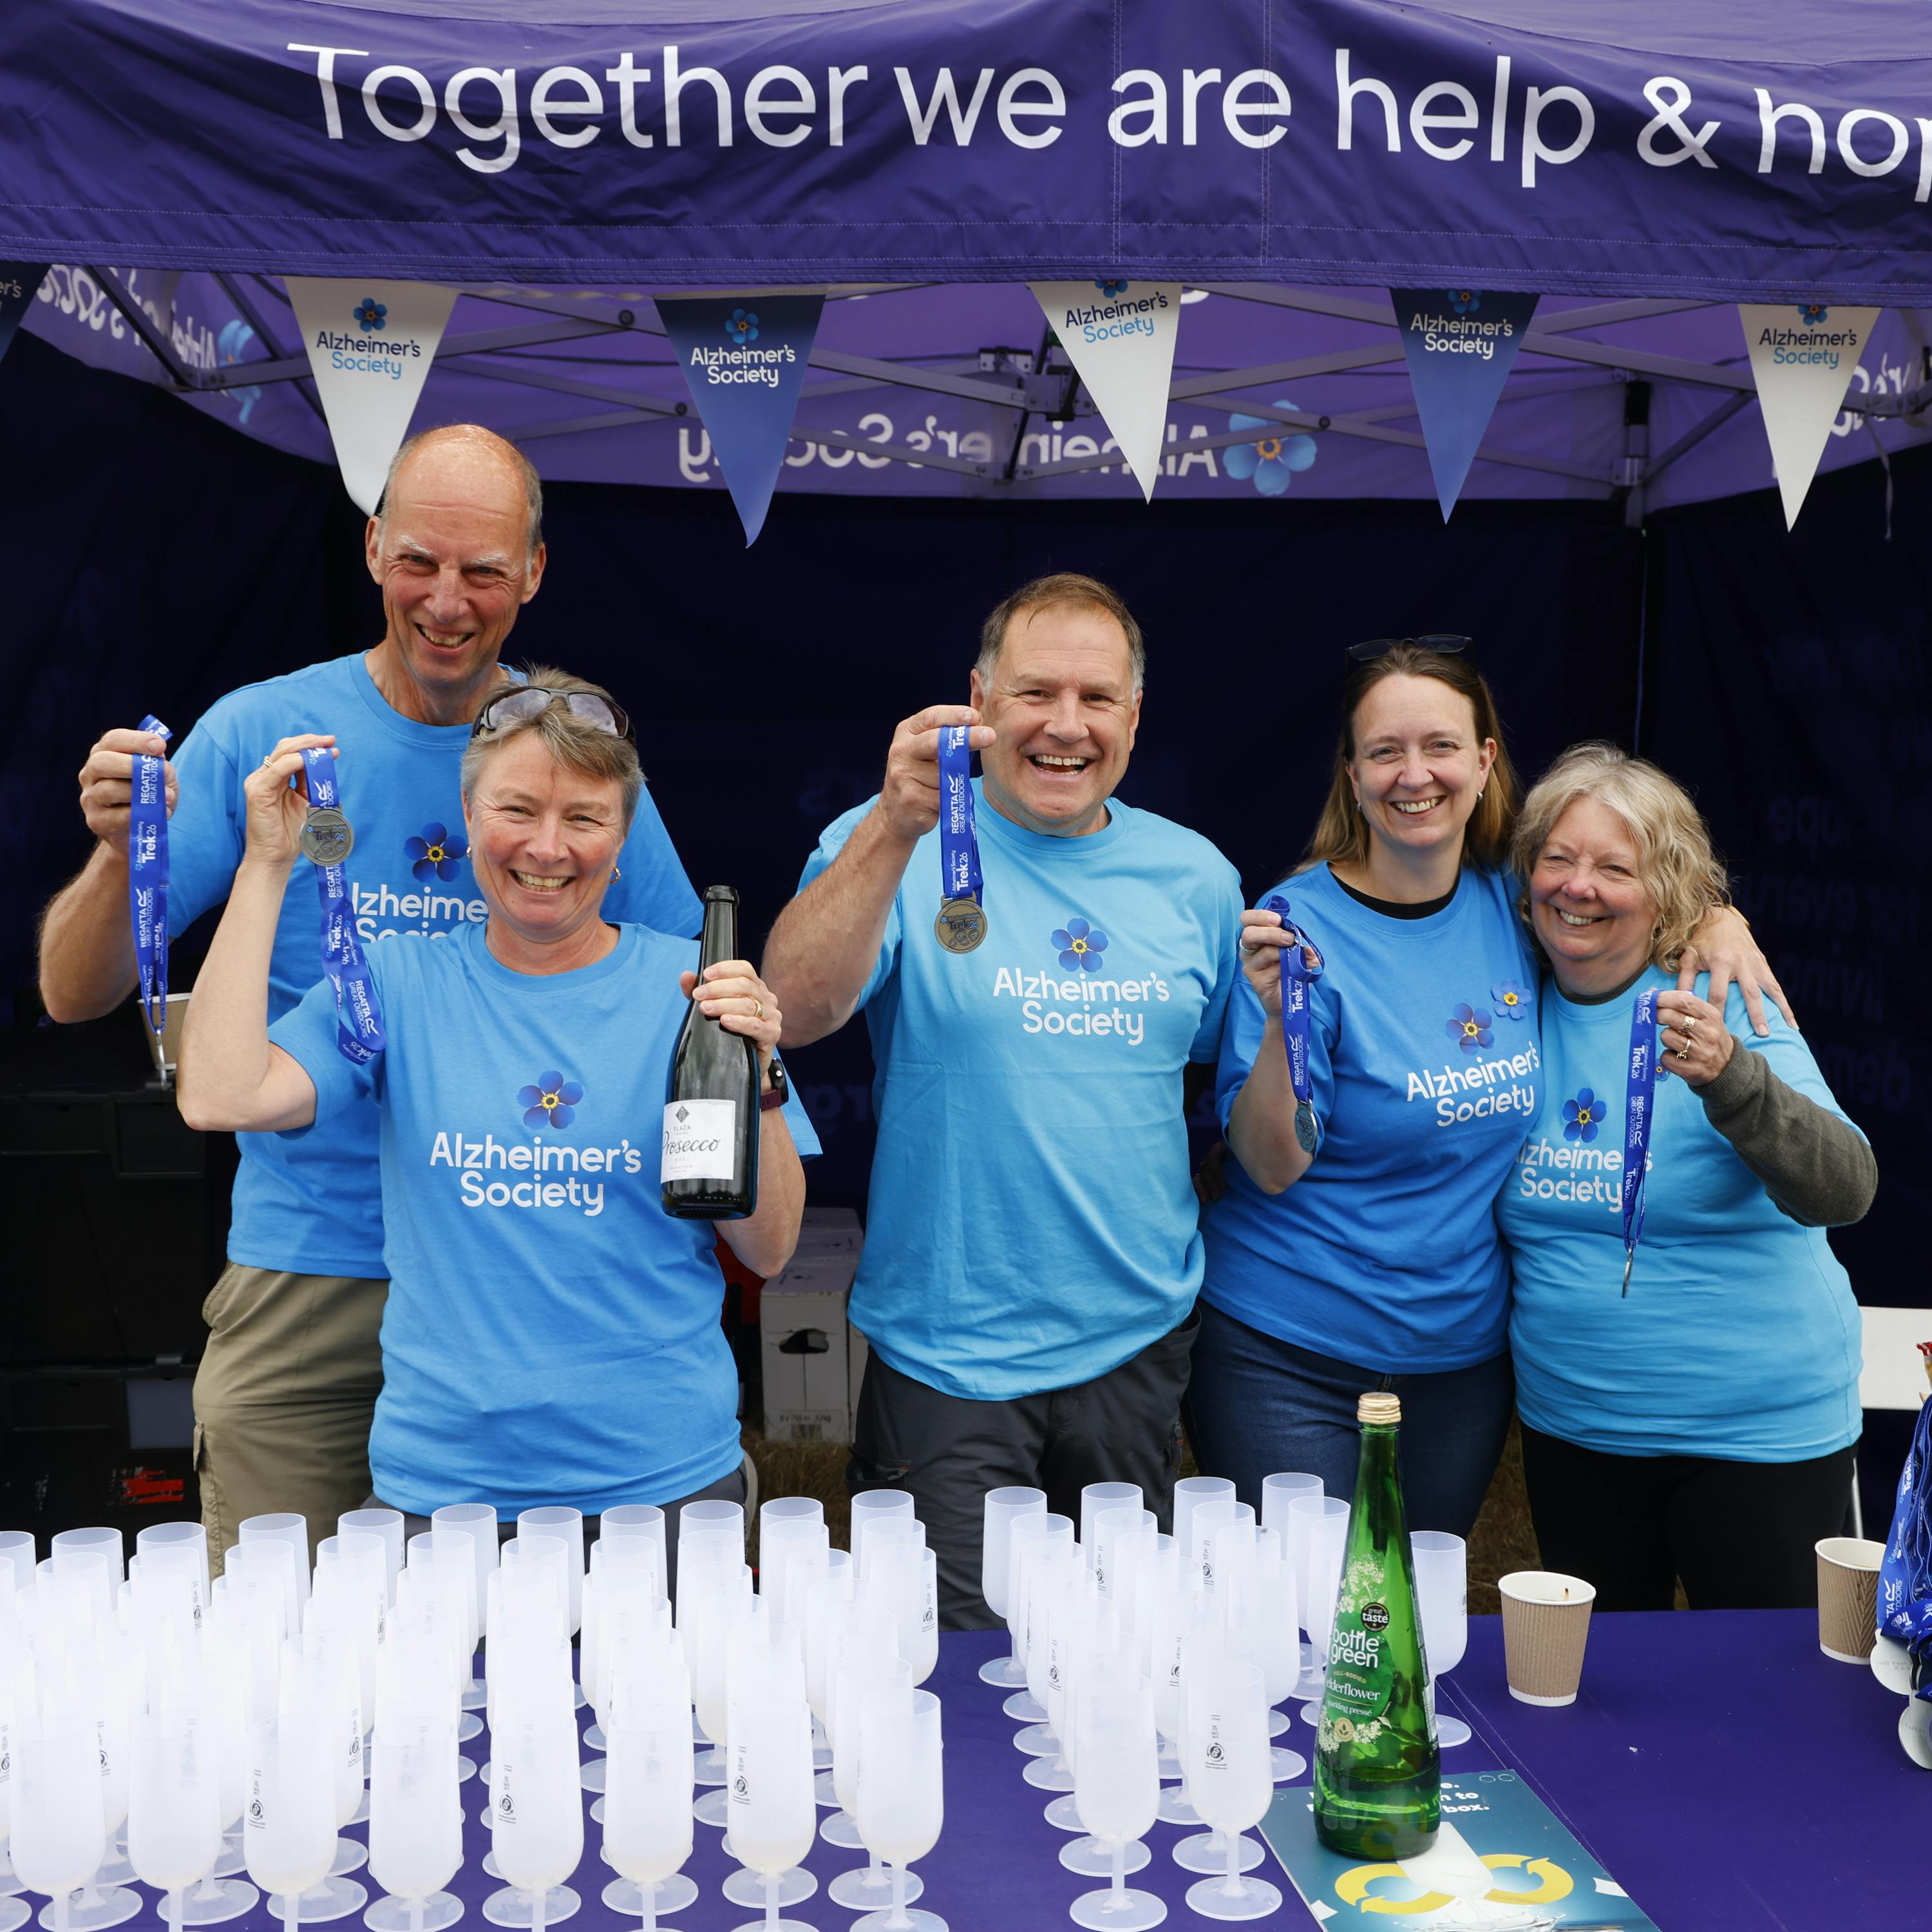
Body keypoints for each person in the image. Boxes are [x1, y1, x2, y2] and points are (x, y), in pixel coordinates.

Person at [36, 426, 703, 1569]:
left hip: (526, 1270)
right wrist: (116, 854)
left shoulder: (571, 750)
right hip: (318, 1255)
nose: (447, 601)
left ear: (534, 575)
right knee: (284, 1627)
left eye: (484, 571)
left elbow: (680, 999)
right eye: (420, 562)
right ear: (372, 550)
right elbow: (71, 991)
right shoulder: (265, 730)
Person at [175, 672, 804, 1574]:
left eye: (584, 819)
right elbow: (220, 1096)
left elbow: (772, 1247)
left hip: (661, 1488)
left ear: (622, 838)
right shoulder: (397, 979)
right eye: (517, 809)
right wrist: (267, 864)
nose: (548, 848)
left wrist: (764, 1075)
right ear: (469, 817)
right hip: (446, 1497)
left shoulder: (693, 988)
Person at [1188, 639, 1786, 1535]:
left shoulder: (1520, 904)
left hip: (1458, 1365)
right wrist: (1280, 1020)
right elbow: (1272, 1165)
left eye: (1439, 746)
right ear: (1352, 776)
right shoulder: (1296, 930)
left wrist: (1718, 916)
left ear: (1484, 761)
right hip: (1285, 1349)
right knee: (1305, 1625)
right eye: (1384, 751)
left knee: (1418, 1618)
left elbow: (1623, 880)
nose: (1413, 774)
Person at [760, 573, 1244, 1627]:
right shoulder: (888, 835)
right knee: (956, 1689)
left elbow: (1200, 1066)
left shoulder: (1197, 877)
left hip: (1135, 1342)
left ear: (1134, 715)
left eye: (1097, 698)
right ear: (978, 701)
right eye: (1035, 694)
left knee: (1123, 1654)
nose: (1065, 726)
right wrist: (892, 828)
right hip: (948, 1351)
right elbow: (790, 1012)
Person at [1496, 743, 1871, 1609]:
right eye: (1558, 858)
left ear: (1667, 889)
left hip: (1759, 1437)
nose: (1578, 886)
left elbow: (1845, 1188)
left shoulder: (1721, 990)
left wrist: (1735, 1080)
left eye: (1614, 868)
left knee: (1773, 1706)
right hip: (1577, 1431)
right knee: (1597, 1707)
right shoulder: (1506, 995)